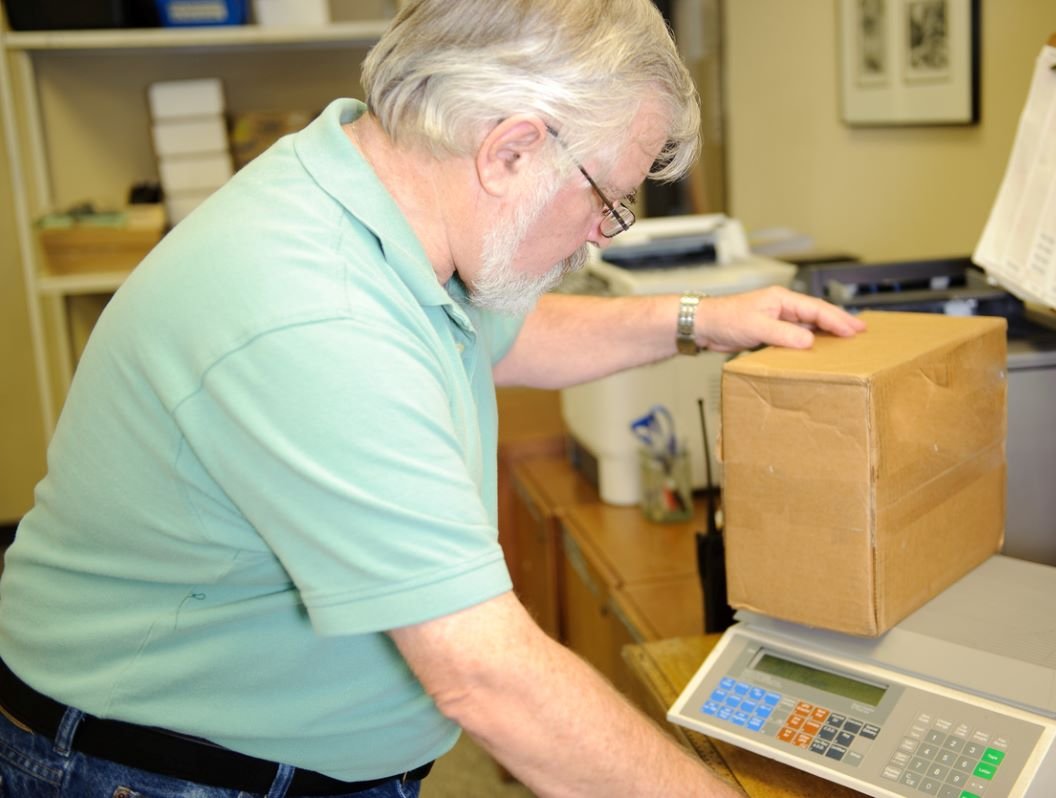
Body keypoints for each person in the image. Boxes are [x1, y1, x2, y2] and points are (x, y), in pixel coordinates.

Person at [0, 1, 865, 796]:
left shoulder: (369, 192)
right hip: (149, 769)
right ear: (511, 149)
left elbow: (512, 334)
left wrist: (699, 318)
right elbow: (488, 677)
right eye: (609, 197)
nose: (605, 230)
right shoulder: (313, 311)